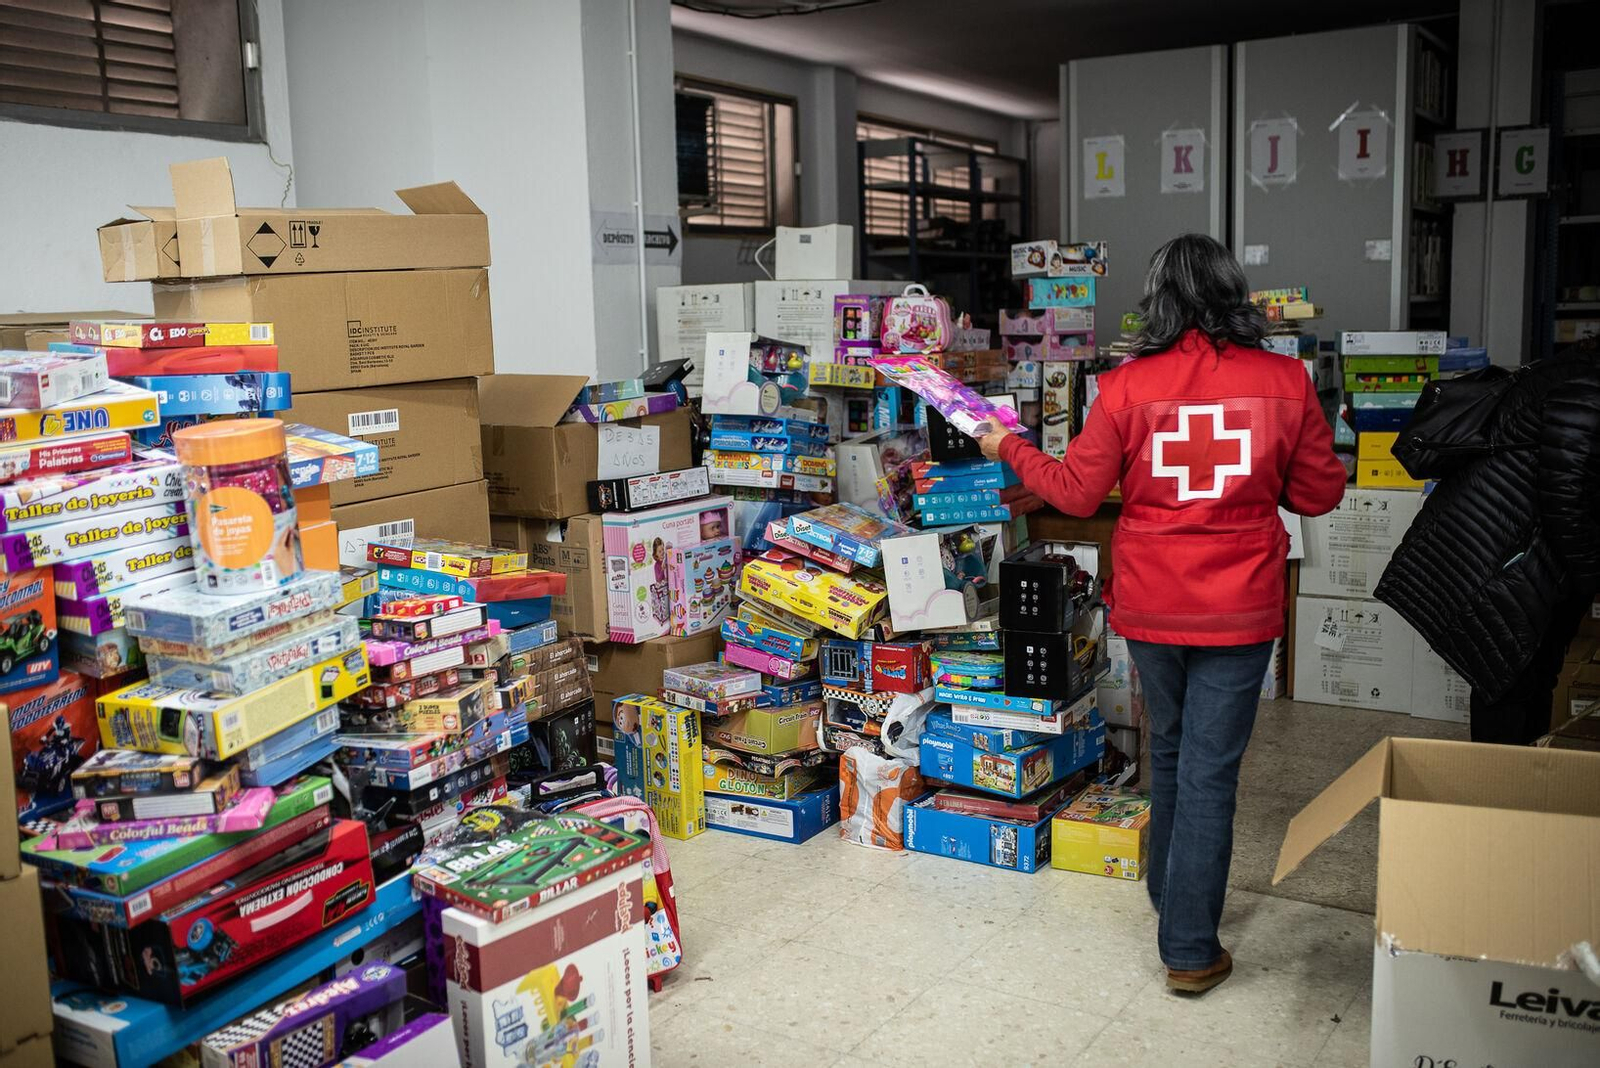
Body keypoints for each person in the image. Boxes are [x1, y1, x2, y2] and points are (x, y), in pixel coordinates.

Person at [978, 233, 1346, 993]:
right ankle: (1188, 947)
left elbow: (1076, 494)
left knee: (1172, 756)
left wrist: (1007, 445)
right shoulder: (1286, 381)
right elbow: (1319, 494)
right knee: (1211, 772)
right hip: (1239, 608)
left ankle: (1168, 901)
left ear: (1159, 300)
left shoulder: (1124, 386)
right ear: (1232, 292)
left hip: (1151, 603)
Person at [1375, 342, 1600, 745]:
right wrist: (1591, 575)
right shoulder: (1586, 388)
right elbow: (1566, 497)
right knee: (1507, 680)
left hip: (1512, 547)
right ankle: (1498, 792)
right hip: (1502, 553)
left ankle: (1523, 782)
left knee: (1525, 676)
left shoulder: (1571, 371)